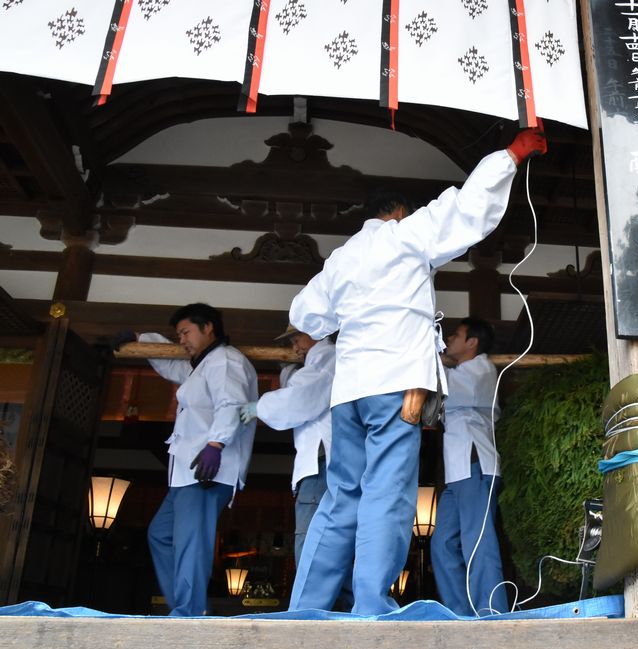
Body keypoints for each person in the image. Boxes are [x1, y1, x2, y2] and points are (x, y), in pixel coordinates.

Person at [285, 125, 547, 615]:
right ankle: (369, 605)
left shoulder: (340, 260)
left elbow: (304, 315)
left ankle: (306, 604)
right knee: (386, 491)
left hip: (349, 393)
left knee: (342, 494)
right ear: (398, 213)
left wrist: (343, 314)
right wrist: (513, 154)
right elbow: (469, 209)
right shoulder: (406, 237)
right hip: (396, 387)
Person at [134, 303, 257, 616]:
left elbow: (231, 402)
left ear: (209, 328)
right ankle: (186, 607)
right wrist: (139, 339)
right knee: (160, 534)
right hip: (187, 473)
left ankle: (189, 612)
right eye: (178, 336)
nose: (181, 341)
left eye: (186, 332)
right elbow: (171, 367)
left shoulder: (226, 360)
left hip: (208, 469)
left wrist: (216, 444)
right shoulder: (200, 365)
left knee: (191, 542)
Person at [239, 325, 336, 565]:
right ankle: (335, 602)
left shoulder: (327, 358)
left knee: (312, 541)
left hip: (320, 463)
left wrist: (259, 407)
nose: (294, 348)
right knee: (333, 542)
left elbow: (300, 398)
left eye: (297, 339)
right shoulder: (325, 362)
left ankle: (309, 602)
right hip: (328, 462)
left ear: (316, 331)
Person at [431, 317, 506, 616]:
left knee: (478, 541)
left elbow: (450, 391)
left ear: (472, 342)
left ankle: (491, 611)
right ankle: (461, 612)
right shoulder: (461, 370)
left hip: (475, 464)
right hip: (457, 471)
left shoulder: (481, 369)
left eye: (455, 335)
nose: (449, 339)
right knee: (442, 545)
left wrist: (426, 359)